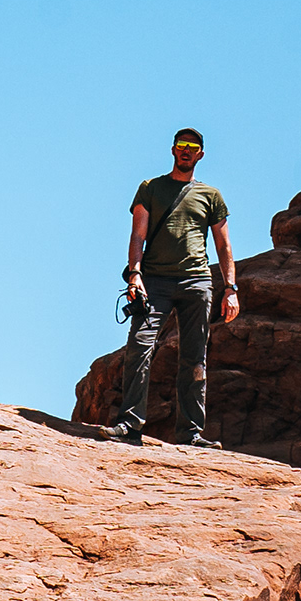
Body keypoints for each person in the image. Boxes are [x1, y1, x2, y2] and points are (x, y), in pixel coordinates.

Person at [107, 128, 239, 447]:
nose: (186, 150)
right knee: (139, 346)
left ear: (200, 155)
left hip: (197, 282)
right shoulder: (150, 188)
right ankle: (130, 424)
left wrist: (230, 288)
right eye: (182, 144)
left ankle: (191, 434)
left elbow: (223, 246)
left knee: (194, 358)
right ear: (173, 150)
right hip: (154, 281)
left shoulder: (210, 195)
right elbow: (138, 235)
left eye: (192, 146)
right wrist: (135, 274)